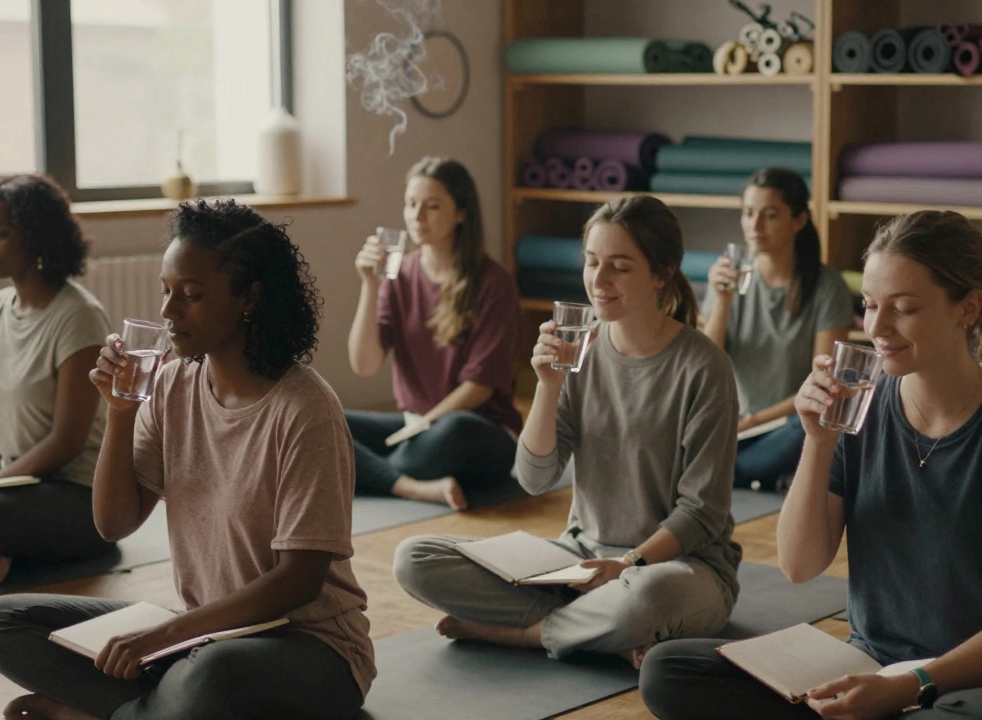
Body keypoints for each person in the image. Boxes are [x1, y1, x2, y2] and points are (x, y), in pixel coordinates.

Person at [641, 210, 982, 720]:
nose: (877, 327)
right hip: (869, 665)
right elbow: (799, 566)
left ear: (968, 308)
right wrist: (818, 441)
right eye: (869, 305)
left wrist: (909, 686)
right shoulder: (861, 407)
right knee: (670, 669)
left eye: (904, 308)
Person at [0, 199, 373, 719]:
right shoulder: (171, 385)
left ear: (249, 298)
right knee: (3, 622)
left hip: (309, 650)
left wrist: (165, 634)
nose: (168, 312)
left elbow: (299, 582)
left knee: (208, 679)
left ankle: (100, 712)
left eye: (191, 295)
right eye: (166, 291)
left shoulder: (305, 411)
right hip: (200, 634)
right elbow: (113, 523)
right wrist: (120, 413)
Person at [393, 195, 741, 669]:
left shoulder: (703, 366)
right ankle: (597, 630)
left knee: (645, 601)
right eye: (592, 262)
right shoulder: (581, 350)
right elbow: (534, 479)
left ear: (661, 274)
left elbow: (702, 514)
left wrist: (628, 564)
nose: (598, 281)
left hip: (673, 568)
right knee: (415, 558)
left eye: (619, 267)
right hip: (577, 560)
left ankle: (523, 634)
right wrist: (548, 386)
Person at [0, 174, 112, 586]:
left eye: (1, 233)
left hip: (78, 498)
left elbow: (67, 442)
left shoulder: (77, 316)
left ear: (37, 236)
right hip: (19, 489)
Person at [346, 157, 521, 509]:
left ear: (461, 213)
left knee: (451, 432)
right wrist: (369, 285)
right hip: (417, 429)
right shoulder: (399, 275)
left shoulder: (494, 282)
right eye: (411, 205)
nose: (416, 216)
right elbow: (364, 365)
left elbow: (479, 387)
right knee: (328, 422)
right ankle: (412, 484)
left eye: (432, 206)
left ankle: (367, 473)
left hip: (476, 432)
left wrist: (420, 428)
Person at [703, 168, 853, 491]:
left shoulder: (827, 287)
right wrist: (722, 302)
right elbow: (705, 364)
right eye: (747, 213)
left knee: (816, 424)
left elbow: (825, 384)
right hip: (732, 426)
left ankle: (721, 474)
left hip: (786, 425)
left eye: (769, 215)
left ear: (798, 221)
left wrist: (758, 419)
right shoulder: (729, 278)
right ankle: (742, 473)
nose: (755, 226)